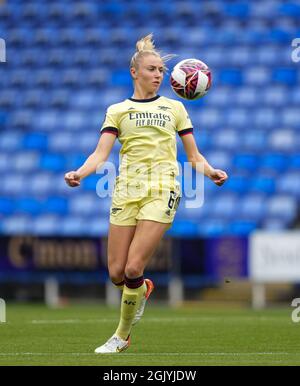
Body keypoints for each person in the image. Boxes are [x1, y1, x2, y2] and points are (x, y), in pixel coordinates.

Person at [64, 34, 228, 354]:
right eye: (152, 69)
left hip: (162, 188)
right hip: (126, 190)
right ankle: (142, 290)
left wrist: (210, 172)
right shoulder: (118, 111)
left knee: (132, 269)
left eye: (161, 71)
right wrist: (80, 173)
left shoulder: (175, 108)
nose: (158, 75)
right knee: (116, 274)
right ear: (134, 72)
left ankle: (121, 336)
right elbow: (100, 155)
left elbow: (194, 156)